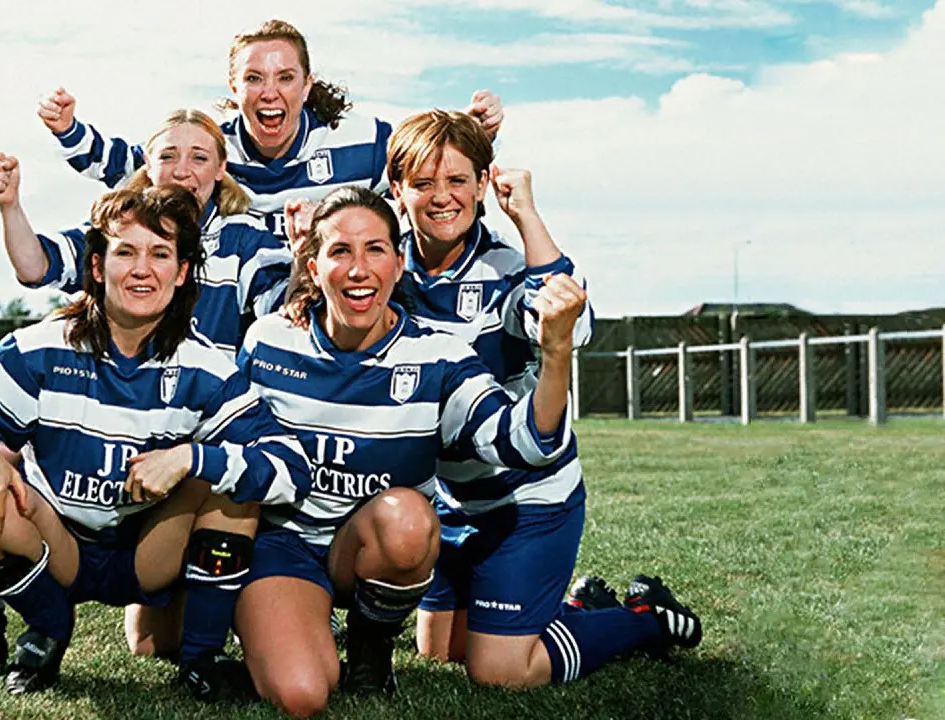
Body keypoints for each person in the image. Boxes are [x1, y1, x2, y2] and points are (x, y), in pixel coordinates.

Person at [0, 185, 313, 696]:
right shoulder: (38, 348)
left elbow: (291, 468)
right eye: (126, 252)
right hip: (58, 543)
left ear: (182, 273)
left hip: (148, 550)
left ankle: (203, 659)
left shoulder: (207, 367)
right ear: (97, 267)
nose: (143, 269)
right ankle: (46, 628)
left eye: (160, 254)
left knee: (231, 485)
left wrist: (189, 457)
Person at [231, 186, 589, 717]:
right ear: (311, 264)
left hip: (373, 545)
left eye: (375, 250)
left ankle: (372, 647)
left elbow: (525, 443)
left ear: (399, 265)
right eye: (340, 251)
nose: (359, 269)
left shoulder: (438, 354)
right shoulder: (269, 341)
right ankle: (296, 626)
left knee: (409, 520)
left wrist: (556, 355)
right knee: (301, 695)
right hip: (289, 544)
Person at [377, 109, 701, 689]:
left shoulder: (504, 267)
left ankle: (643, 622)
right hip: (451, 501)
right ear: (398, 190)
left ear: (482, 185)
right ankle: (577, 612)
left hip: (527, 500)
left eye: (457, 181)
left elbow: (571, 328)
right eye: (423, 183)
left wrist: (524, 211)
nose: (442, 197)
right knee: (437, 653)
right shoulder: (386, 264)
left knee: (499, 671)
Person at [35, 19, 504, 237]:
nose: (270, 93)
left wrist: (477, 131)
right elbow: (126, 164)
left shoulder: (359, 138)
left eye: (285, 78)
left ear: (306, 85)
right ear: (234, 88)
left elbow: (428, 166)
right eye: (254, 79)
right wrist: (69, 127)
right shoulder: (208, 146)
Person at [0, 108, 293, 359]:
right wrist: (10, 205)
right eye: (168, 157)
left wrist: (305, 251)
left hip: (207, 414)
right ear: (148, 165)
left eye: (199, 158)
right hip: (124, 407)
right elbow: (35, 267)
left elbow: (289, 312)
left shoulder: (245, 238)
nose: (181, 171)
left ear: (220, 168)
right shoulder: (118, 227)